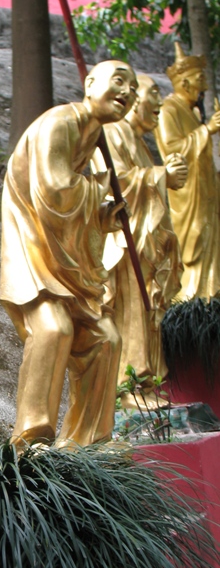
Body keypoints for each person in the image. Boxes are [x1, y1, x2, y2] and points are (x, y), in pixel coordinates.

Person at [0, 61, 137, 447]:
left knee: (105, 338)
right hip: (35, 249)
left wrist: (103, 215)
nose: (128, 93)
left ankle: (88, 441)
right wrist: (100, 186)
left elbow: (75, 205)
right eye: (120, 82)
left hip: (66, 256)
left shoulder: (94, 136)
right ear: (90, 83)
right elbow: (55, 191)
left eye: (134, 90)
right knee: (53, 329)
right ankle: (30, 440)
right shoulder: (60, 122)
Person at [94, 75, 185, 405]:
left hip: (147, 241)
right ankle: (128, 385)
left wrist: (162, 174)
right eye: (154, 93)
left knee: (147, 315)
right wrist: (162, 176)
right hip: (126, 241)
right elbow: (112, 182)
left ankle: (145, 384)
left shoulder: (138, 141)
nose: (159, 103)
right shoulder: (113, 132)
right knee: (131, 311)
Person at [155, 42, 220, 300]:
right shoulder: (168, 110)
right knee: (195, 242)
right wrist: (207, 130)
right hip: (187, 193)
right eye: (199, 80)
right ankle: (191, 297)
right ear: (184, 82)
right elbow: (172, 150)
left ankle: (210, 292)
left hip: (205, 189)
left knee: (211, 239)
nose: (203, 86)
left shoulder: (191, 111)